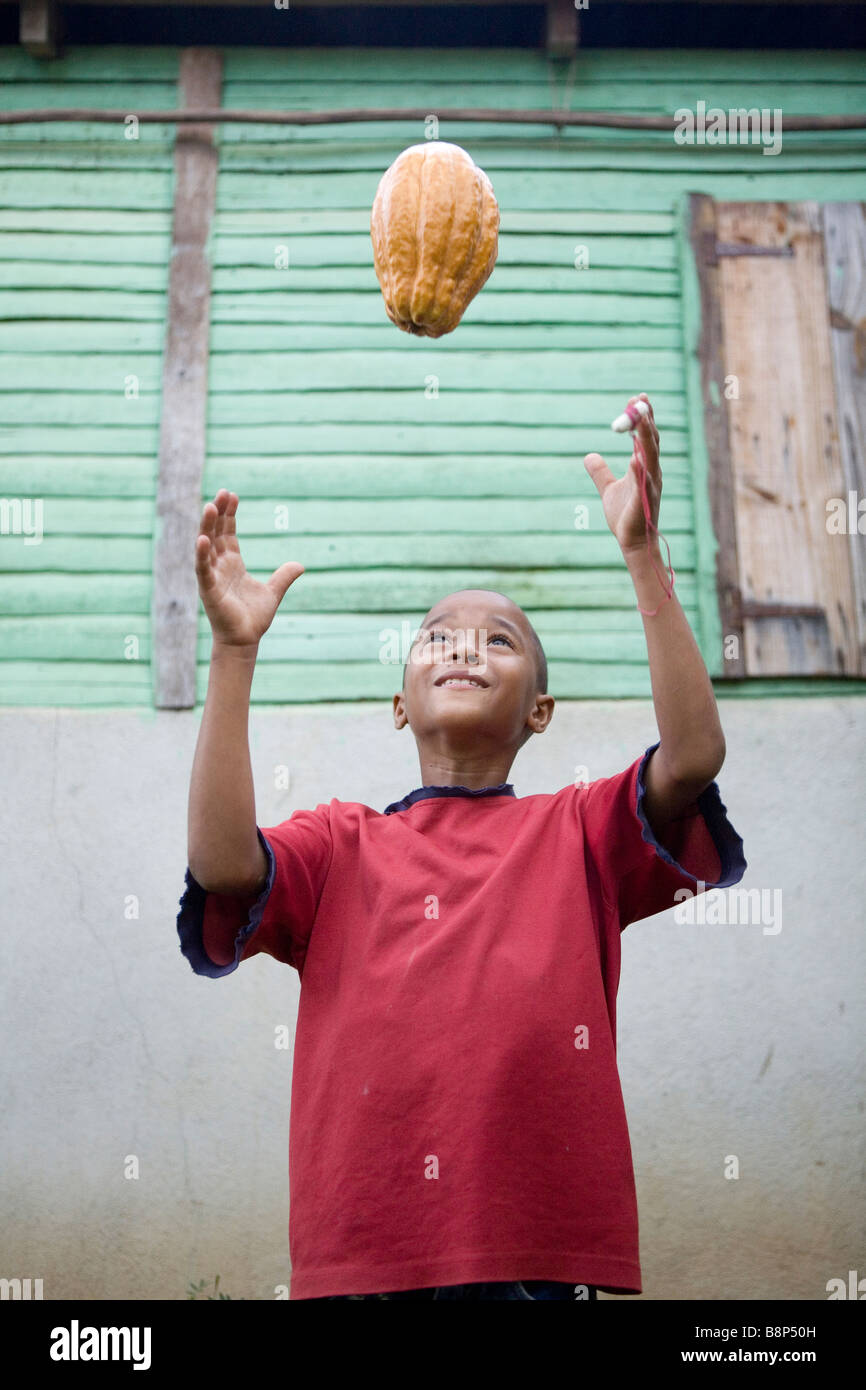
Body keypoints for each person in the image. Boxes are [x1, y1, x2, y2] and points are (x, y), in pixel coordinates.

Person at [176, 395, 747, 1301]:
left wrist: (644, 557)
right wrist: (233, 654)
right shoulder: (339, 844)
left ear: (540, 713)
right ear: (401, 702)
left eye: (500, 641)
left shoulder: (581, 832)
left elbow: (693, 759)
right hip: (363, 1246)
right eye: (436, 636)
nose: (463, 648)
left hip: (539, 1252)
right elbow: (222, 867)